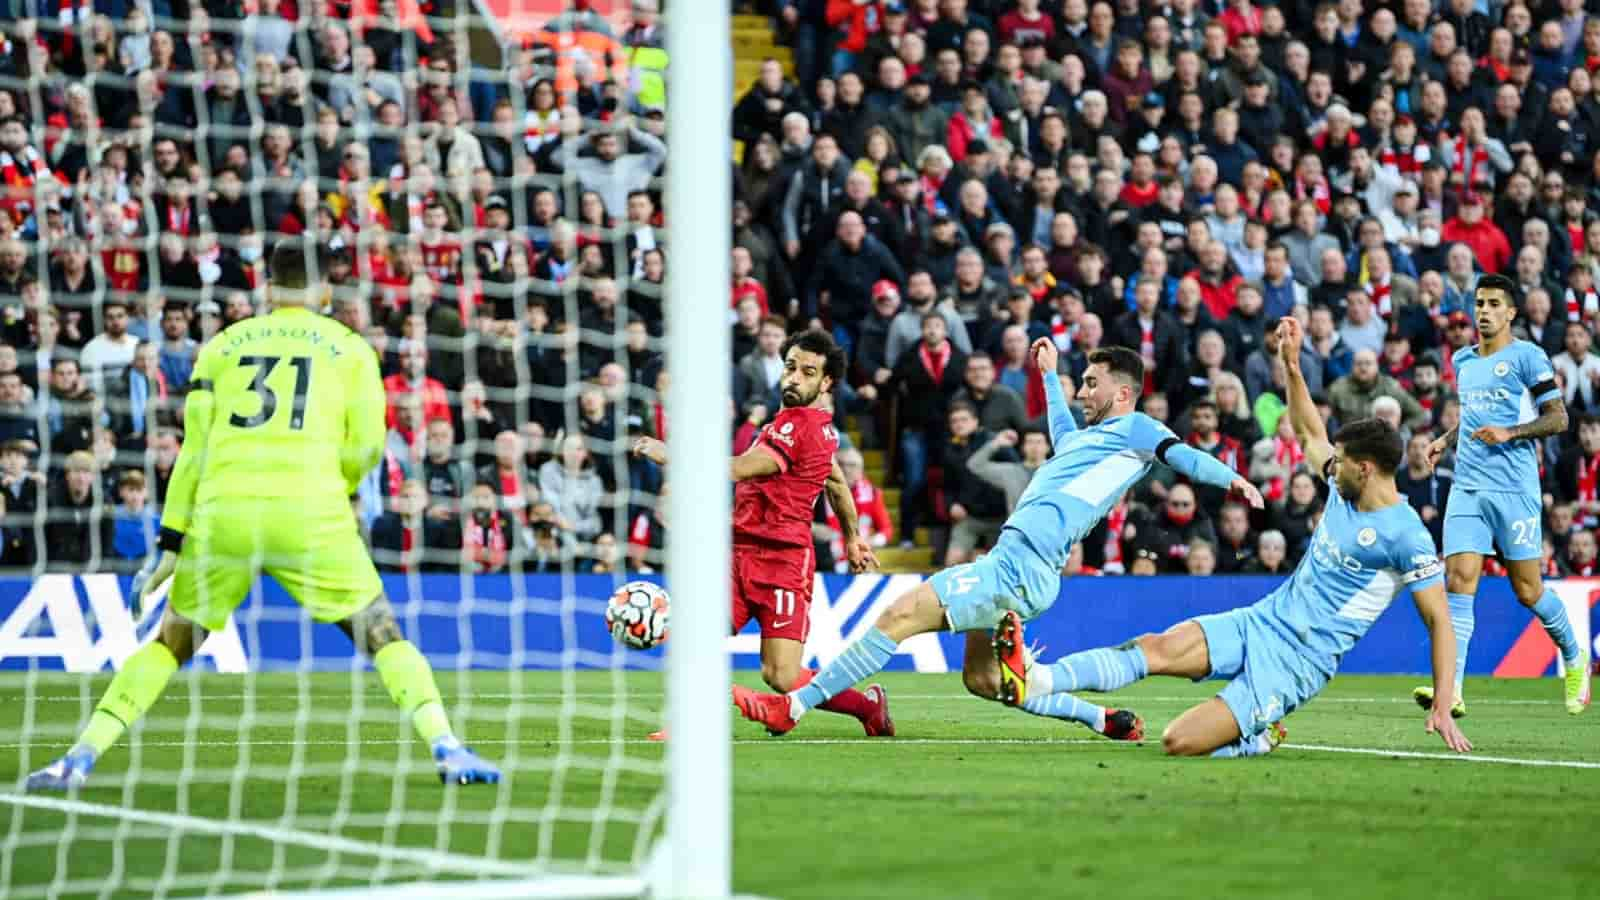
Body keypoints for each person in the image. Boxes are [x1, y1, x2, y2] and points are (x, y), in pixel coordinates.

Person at [26, 238, 499, 792]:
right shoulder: (349, 348)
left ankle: (79, 756)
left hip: (225, 513)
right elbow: (370, 446)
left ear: (268, 288)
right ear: (326, 290)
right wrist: (335, 484)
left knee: (169, 643)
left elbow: (193, 452)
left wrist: (171, 543)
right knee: (382, 634)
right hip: (310, 513)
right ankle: (445, 745)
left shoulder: (223, 345)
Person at [991, 317, 1471, 758]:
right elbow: (1309, 433)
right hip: (1262, 620)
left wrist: (1443, 701)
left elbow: (1440, 622)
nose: (1331, 464)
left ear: (1366, 469)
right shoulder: (1346, 486)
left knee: (1178, 741)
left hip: (1298, 661)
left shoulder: (1407, 537)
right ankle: (1037, 679)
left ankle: (1259, 736)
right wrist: (1291, 365)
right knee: (1155, 647)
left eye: (1342, 461)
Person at [731, 341, 1263, 737]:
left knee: (899, 616)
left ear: (1122, 392)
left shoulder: (1139, 429)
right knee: (985, 682)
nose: (1083, 390)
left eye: (1091, 383)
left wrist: (1232, 478)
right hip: (1024, 568)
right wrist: (1050, 377)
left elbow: (1182, 455)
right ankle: (1103, 720)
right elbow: (1062, 435)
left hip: (1017, 567)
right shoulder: (1095, 441)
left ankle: (792, 708)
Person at [633, 330, 891, 740]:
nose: (793, 378)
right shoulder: (811, 427)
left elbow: (738, 469)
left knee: (782, 676)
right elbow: (837, 484)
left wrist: (670, 454)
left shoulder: (802, 428)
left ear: (825, 383)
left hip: (784, 562)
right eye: (790, 367)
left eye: (807, 372)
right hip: (738, 554)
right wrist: (854, 536)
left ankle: (868, 707)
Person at [1412, 273, 1590, 717]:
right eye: (1479, 303)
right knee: (1459, 579)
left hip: (1515, 489)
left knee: (1528, 590)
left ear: (1511, 312)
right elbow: (1476, 415)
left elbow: (1558, 419)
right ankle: (1451, 688)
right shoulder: (1463, 360)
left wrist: (1512, 432)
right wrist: (1447, 439)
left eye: (1494, 304)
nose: (1484, 311)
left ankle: (1574, 655)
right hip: (1469, 486)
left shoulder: (1528, 357)